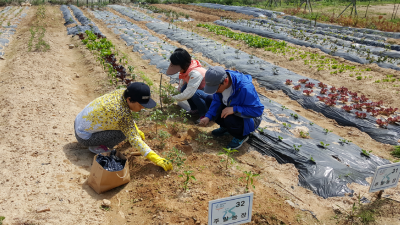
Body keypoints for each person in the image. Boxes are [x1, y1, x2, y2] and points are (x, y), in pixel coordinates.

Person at [74, 82, 172, 171]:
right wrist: (156, 158)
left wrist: (135, 128)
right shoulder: (120, 113)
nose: (143, 108)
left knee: (124, 127)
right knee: (123, 133)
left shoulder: (121, 93)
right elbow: (134, 138)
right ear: (129, 100)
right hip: (84, 137)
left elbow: (127, 119)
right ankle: (96, 147)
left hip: (78, 122)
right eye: (141, 105)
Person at [199, 66, 264, 149]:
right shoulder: (219, 78)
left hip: (250, 118)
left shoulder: (244, 88)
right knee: (210, 99)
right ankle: (226, 128)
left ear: (225, 81)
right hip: (231, 107)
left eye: (216, 88)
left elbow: (257, 111)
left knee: (229, 118)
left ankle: (241, 136)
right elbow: (216, 100)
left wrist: (234, 109)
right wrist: (208, 116)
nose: (215, 91)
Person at [166, 48, 211, 124]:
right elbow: (181, 87)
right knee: (184, 88)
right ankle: (195, 109)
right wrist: (171, 95)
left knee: (195, 94)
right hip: (201, 91)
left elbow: (188, 94)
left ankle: (205, 115)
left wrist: (172, 98)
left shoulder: (195, 73)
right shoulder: (187, 70)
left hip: (210, 96)